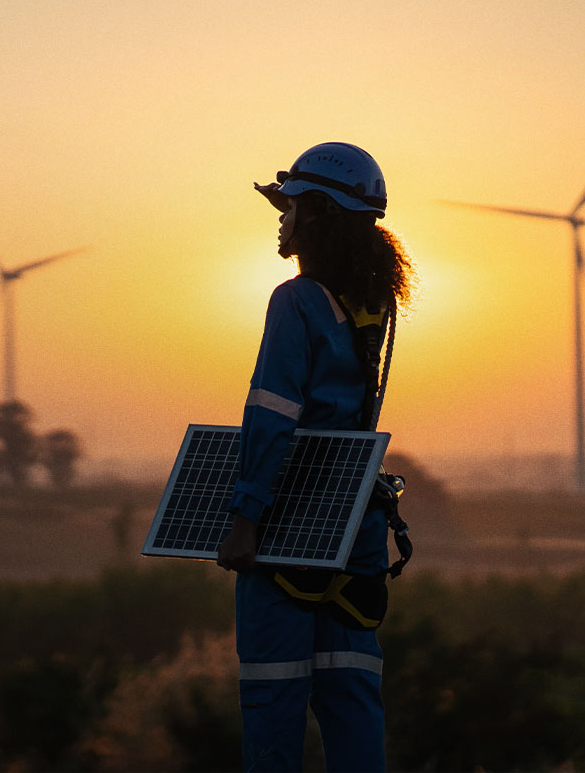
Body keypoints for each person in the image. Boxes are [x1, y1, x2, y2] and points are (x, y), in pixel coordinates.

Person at [217, 142, 413, 773]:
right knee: (352, 695)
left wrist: (247, 514)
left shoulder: (296, 300)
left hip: (288, 521)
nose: (282, 218)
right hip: (353, 517)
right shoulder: (371, 303)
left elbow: (273, 411)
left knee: (274, 698)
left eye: (291, 206)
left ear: (320, 212)